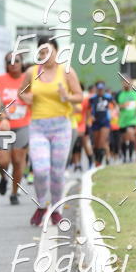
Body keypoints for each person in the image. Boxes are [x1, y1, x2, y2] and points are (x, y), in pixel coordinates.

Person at [18, 37, 82, 227]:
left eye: (49, 52)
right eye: (42, 52)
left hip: (61, 127)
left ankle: (55, 209)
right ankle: (41, 205)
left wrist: (66, 96)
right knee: (40, 169)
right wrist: (27, 98)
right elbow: (21, 92)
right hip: (38, 127)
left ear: (57, 52)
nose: (46, 56)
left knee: (57, 172)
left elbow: (79, 96)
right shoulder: (32, 72)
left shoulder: (67, 71)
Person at [0, 51, 31, 204]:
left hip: (22, 125)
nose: (13, 64)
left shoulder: (28, 80)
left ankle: (14, 192)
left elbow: (37, 99)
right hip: (3, 126)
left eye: (16, 60)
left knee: (17, 160)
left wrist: (27, 98)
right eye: (9, 61)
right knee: (3, 161)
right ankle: (3, 177)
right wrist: (2, 117)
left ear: (22, 63)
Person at [89, 81, 113, 166]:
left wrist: (113, 113)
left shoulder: (108, 97)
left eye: (102, 89)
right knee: (96, 144)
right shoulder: (92, 98)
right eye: (99, 89)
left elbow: (115, 105)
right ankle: (96, 160)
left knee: (102, 142)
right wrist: (90, 116)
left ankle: (99, 162)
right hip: (96, 122)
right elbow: (89, 109)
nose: (100, 91)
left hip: (105, 121)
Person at [117, 77, 136, 162]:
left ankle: (130, 157)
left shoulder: (135, 94)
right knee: (124, 139)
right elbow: (117, 106)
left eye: (128, 82)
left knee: (131, 136)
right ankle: (124, 157)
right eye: (125, 82)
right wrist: (122, 106)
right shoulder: (120, 94)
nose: (126, 84)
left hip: (132, 120)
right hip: (123, 121)